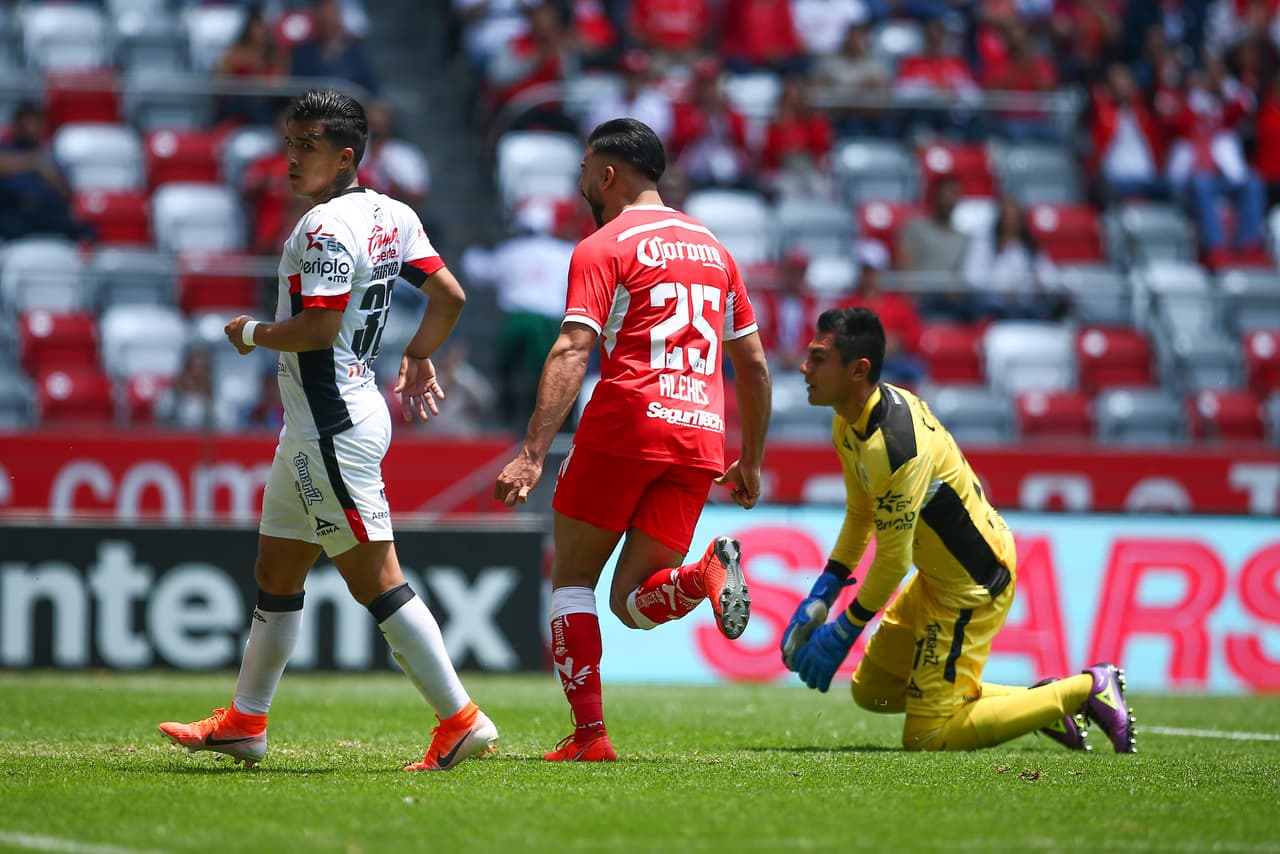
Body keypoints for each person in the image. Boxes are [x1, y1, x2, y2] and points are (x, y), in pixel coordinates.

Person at [158, 89, 497, 772]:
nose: (291, 158)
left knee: (377, 580)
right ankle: (246, 721)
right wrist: (420, 353)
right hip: (329, 419)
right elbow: (449, 296)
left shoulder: (322, 228)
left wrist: (250, 333)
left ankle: (461, 719)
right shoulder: (393, 214)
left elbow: (316, 328)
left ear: (344, 156)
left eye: (307, 146)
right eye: (290, 143)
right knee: (276, 570)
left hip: (330, 427)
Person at [493, 118, 772, 762]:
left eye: (585, 170)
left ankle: (590, 736)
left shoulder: (604, 246)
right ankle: (703, 575)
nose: (581, 182)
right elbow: (755, 366)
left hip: (627, 424)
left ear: (608, 174)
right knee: (631, 601)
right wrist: (751, 460)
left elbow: (573, 347)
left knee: (573, 580)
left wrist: (532, 454)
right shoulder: (716, 250)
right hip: (702, 436)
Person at [779, 306, 1137, 754]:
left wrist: (844, 629)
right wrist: (824, 591)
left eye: (818, 358)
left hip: (971, 583)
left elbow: (893, 561)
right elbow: (860, 512)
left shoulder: (894, 446)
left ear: (858, 370)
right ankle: (1042, 704)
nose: (804, 367)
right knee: (874, 691)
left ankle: (1087, 688)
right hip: (936, 578)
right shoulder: (848, 419)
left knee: (927, 737)